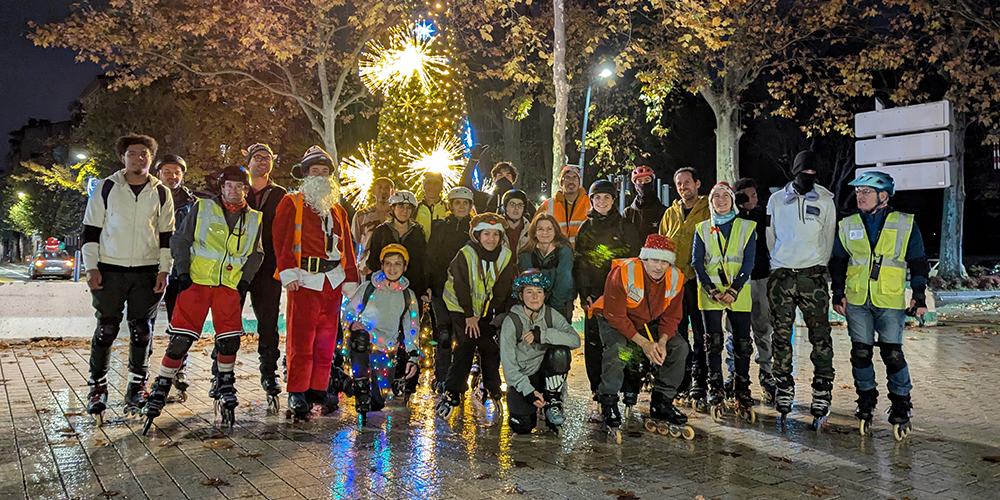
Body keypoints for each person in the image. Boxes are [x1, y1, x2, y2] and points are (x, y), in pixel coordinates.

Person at [144, 166, 263, 431]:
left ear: (246, 189)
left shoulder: (255, 218)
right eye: (229, 186)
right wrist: (183, 271)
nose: (234, 191)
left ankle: (225, 381)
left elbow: (257, 252)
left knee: (229, 341)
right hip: (196, 283)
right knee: (181, 340)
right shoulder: (202, 208)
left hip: (229, 287)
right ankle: (162, 384)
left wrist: (245, 280)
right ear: (221, 188)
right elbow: (180, 239)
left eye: (239, 186)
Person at [82, 134, 174, 423]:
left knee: (142, 331)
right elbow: (91, 230)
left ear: (151, 157)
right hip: (110, 269)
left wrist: (164, 270)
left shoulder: (161, 192)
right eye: (132, 154)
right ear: (123, 158)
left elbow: (166, 236)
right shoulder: (107, 187)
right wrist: (91, 267)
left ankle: (137, 386)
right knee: (106, 329)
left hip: (147, 271)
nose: (139, 158)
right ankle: (97, 386)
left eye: (144, 154)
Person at [830, 171, 927, 439]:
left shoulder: (906, 223)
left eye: (866, 192)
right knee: (860, 352)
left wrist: (918, 295)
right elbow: (838, 261)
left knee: (892, 354)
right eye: (858, 192)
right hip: (858, 298)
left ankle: (900, 404)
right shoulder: (848, 223)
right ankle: (866, 400)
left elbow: (918, 261)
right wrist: (837, 292)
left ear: (883, 195)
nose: (860, 196)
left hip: (889, 298)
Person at [273, 146, 360, 421]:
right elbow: (280, 238)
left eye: (325, 172)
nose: (321, 176)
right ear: (306, 175)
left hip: (332, 281)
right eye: (315, 171)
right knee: (301, 339)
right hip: (304, 279)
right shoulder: (292, 201)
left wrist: (350, 278)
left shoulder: (337, 210)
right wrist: (288, 271)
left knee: (325, 340)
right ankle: (297, 390)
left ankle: (318, 386)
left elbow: (347, 244)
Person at [588, 234, 688, 440]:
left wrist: (661, 342)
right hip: (613, 317)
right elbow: (616, 316)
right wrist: (644, 344)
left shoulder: (676, 278)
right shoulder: (623, 273)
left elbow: (672, 316)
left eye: (664, 261)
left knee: (679, 347)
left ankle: (663, 401)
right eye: (654, 260)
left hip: (647, 320)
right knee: (618, 349)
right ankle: (608, 399)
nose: (658, 267)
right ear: (644, 259)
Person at [766, 150, 837, 428]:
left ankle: (822, 390)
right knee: (781, 336)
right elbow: (771, 237)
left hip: (813, 275)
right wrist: (780, 262)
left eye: (812, 174)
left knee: (821, 336)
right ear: (794, 172)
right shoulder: (776, 201)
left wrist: (817, 264)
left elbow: (828, 238)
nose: (808, 177)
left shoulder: (826, 200)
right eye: (803, 173)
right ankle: (783, 386)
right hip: (782, 276)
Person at [434, 213, 517, 419]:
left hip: (485, 310)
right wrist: (470, 315)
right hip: (460, 307)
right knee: (467, 343)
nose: (491, 239)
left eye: (496, 234)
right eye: (486, 234)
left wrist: (487, 314)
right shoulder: (466, 254)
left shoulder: (505, 255)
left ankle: (493, 387)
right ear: (477, 235)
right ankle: (453, 391)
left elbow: (502, 287)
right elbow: (461, 285)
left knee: (488, 345)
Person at [692, 183, 757, 420]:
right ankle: (715, 387)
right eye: (715, 197)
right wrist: (711, 289)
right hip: (711, 293)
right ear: (710, 202)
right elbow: (697, 262)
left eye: (725, 196)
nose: (720, 200)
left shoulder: (747, 227)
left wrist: (735, 289)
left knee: (741, 343)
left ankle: (742, 389)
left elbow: (748, 261)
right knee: (713, 342)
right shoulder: (702, 228)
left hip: (737, 293)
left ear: (732, 200)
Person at [575, 179, 642, 398]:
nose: (602, 201)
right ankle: (598, 387)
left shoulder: (625, 226)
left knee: (626, 341)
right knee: (595, 343)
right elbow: (581, 263)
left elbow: (634, 260)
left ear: (613, 200)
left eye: (606, 197)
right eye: (597, 197)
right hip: (595, 294)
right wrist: (584, 293)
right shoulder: (586, 229)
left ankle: (630, 386)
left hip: (622, 294)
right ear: (591, 200)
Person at [342, 244, 421, 426]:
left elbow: (412, 328)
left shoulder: (408, 295)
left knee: (376, 403)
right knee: (361, 341)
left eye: (397, 264)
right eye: (388, 263)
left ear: (405, 267)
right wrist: (352, 324)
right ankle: (360, 388)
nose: (392, 268)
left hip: (385, 351)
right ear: (382, 266)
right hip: (363, 345)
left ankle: (342, 382)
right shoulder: (368, 288)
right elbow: (348, 311)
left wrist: (413, 356)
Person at [499, 269, 581, 435]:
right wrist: (529, 392)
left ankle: (553, 401)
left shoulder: (550, 314)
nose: (535, 297)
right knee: (522, 426)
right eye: (529, 292)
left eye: (539, 292)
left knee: (560, 353)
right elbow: (509, 367)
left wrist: (543, 335)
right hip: (523, 376)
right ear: (521, 296)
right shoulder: (512, 322)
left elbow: (575, 340)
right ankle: (529, 406)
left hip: (545, 374)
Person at [658, 167, 711, 409]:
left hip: (699, 282)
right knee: (676, 334)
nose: (683, 187)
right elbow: (660, 247)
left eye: (687, 182)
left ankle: (700, 379)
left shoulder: (708, 210)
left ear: (697, 183)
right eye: (679, 184)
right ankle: (680, 378)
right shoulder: (670, 213)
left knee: (701, 333)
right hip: (674, 284)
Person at [243, 143, 288, 409]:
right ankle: (221, 372)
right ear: (248, 162)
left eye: (268, 158)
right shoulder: (237, 188)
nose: (263, 162)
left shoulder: (279, 194)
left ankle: (268, 373)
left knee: (269, 323)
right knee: (228, 322)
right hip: (236, 266)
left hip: (268, 268)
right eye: (258, 158)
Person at [724, 178, 775, 402]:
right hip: (737, 284)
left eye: (755, 195)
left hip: (761, 278)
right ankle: (733, 373)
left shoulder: (763, 216)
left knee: (763, 329)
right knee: (733, 332)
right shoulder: (731, 218)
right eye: (747, 196)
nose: (753, 200)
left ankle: (766, 372)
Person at [154, 154, 197, 399]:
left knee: (179, 323)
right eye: (168, 171)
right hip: (151, 265)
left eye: (177, 172)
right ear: (159, 173)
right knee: (144, 324)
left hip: (180, 268)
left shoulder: (192, 203)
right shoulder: (149, 197)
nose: (173, 176)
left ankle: (179, 369)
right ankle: (140, 375)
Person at [426, 187, 476, 392]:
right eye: (457, 203)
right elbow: (430, 256)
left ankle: (459, 378)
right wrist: (428, 284)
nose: (462, 207)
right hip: (440, 287)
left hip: (467, 290)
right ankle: (442, 376)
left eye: (465, 203)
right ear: (450, 205)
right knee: (443, 334)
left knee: (464, 338)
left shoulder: (475, 229)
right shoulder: (440, 228)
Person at [366, 191, 427, 297]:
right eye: (401, 206)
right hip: (385, 285)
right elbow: (373, 260)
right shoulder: (381, 231)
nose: (405, 211)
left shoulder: (418, 232)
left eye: (409, 208)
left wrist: (423, 288)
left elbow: (422, 262)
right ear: (393, 208)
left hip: (411, 287)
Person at [518, 213, 575, 320]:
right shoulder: (526, 253)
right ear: (534, 232)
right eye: (540, 229)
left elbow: (564, 282)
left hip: (561, 304)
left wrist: (554, 310)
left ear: (555, 231)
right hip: (534, 304)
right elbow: (529, 284)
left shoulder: (564, 251)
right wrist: (537, 308)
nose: (545, 233)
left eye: (549, 229)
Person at [459, 145, 535, 218]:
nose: (504, 178)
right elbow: (465, 187)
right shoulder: (486, 199)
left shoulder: (523, 202)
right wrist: (473, 161)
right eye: (500, 175)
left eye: (508, 175)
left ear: (513, 180)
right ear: (494, 179)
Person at [351, 177, 394, 278]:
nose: (383, 191)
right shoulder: (362, 215)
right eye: (379, 187)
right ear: (373, 191)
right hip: (367, 267)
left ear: (392, 192)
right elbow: (353, 243)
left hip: (393, 268)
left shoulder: (398, 215)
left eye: (387, 188)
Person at [539, 165, 591, 246]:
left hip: (583, 256)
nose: (571, 181)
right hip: (557, 255)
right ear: (561, 182)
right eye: (567, 178)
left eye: (574, 177)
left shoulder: (590, 202)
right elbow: (535, 230)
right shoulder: (548, 205)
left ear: (579, 182)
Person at [623, 166, 667, 242]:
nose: (643, 184)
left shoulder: (664, 212)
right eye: (639, 181)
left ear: (652, 183)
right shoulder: (628, 213)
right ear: (635, 186)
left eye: (647, 180)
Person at [415, 172, 448, 242]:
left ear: (441, 187)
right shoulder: (415, 209)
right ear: (423, 187)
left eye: (436, 183)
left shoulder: (448, 208)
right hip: (419, 250)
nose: (432, 186)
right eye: (428, 183)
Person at [501, 189, 532, 257]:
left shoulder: (531, 230)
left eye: (520, 205)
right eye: (512, 204)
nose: (516, 208)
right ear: (505, 207)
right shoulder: (497, 228)